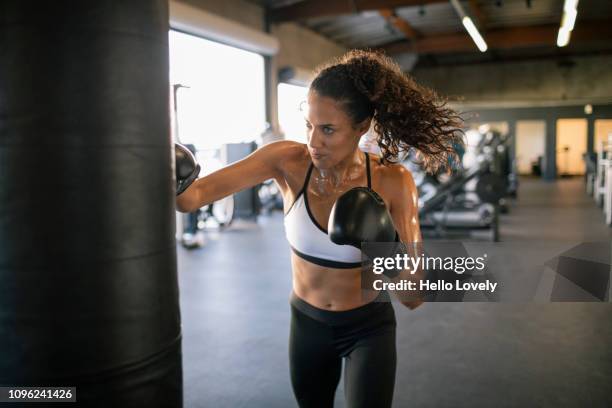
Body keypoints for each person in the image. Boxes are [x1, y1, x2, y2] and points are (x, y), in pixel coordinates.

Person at [175, 50, 463, 408]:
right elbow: (192, 199)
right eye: (309, 126)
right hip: (308, 324)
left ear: (361, 127)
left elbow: (413, 297)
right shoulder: (286, 161)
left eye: (328, 129)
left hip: (368, 328)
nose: (313, 142)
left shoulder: (393, 181)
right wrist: (174, 169)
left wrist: (384, 244)